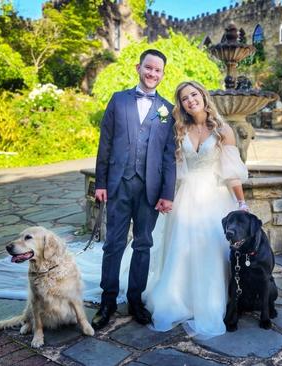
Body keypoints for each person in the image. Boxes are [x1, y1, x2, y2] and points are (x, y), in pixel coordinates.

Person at [145, 81, 249, 339]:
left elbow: (231, 173)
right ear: (181, 105)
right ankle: (178, 298)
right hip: (186, 197)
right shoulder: (180, 129)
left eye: (194, 94)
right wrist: (164, 195)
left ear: (203, 96)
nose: (191, 100)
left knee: (212, 250)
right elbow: (172, 168)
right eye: (184, 98)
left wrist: (241, 204)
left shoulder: (223, 130)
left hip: (214, 197)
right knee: (180, 249)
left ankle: (211, 301)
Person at [92, 49, 177, 329]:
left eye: (158, 70)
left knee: (144, 243)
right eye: (149, 68)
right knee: (113, 243)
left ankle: (135, 299)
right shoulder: (119, 101)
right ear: (138, 68)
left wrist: (167, 193)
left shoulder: (167, 110)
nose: (153, 74)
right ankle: (108, 299)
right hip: (118, 185)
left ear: (163, 74)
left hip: (150, 190)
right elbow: (105, 144)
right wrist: (101, 183)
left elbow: (168, 155)